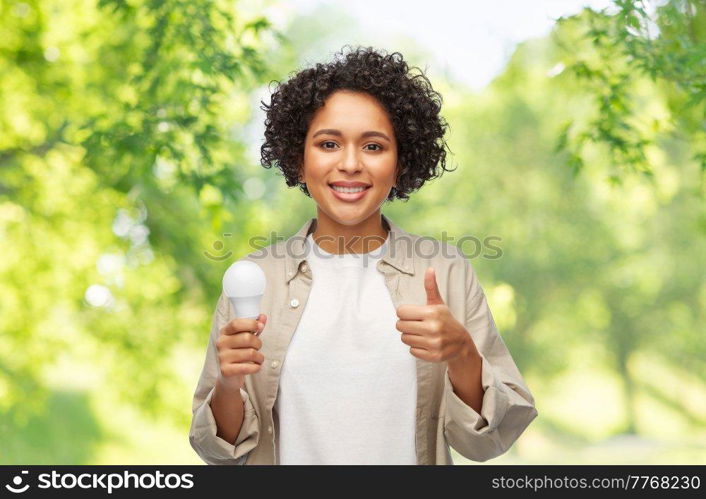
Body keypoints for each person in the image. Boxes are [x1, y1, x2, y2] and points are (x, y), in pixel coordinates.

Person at [189, 45, 537, 465]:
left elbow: (488, 441)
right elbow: (219, 454)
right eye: (328, 144)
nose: (351, 164)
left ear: (400, 163)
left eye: (373, 147)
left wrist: (463, 354)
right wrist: (229, 383)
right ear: (299, 160)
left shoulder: (445, 272)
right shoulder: (251, 280)